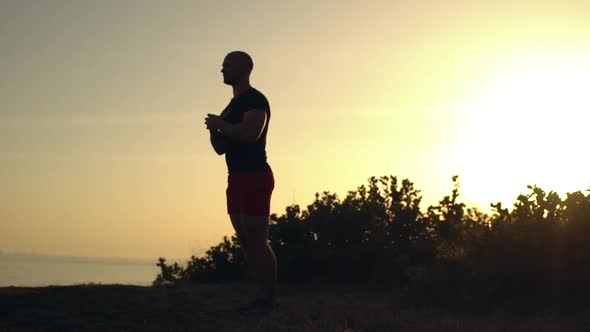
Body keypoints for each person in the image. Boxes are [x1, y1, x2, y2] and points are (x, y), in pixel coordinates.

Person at [204, 51, 277, 313]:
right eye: (222, 65)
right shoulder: (231, 107)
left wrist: (221, 124)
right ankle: (260, 296)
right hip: (235, 177)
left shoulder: (255, 101)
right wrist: (214, 131)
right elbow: (220, 149)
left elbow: (250, 134)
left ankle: (267, 299)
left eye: (228, 65)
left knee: (257, 239)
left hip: (255, 175)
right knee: (245, 239)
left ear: (245, 69)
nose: (222, 69)